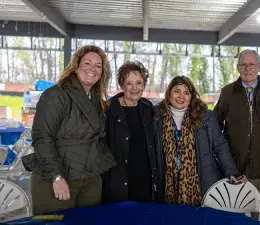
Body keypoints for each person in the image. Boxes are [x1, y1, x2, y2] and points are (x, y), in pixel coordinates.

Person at [21, 45, 116, 214]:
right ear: (76, 66)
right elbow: (42, 137)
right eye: (87, 63)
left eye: (98, 66)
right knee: (53, 222)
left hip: (89, 177)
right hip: (56, 176)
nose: (92, 69)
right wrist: (56, 177)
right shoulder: (56, 95)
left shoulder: (96, 99)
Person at [214, 49, 260, 223]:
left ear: (259, 67)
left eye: (252, 64)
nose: (248, 68)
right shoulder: (227, 92)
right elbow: (215, 127)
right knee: (233, 216)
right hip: (235, 169)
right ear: (238, 67)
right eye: (243, 64)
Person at [154, 76, 245, 206]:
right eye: (177, 91)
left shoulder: (205, 117)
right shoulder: (156, 117)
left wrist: (232, 172)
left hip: (202, 181)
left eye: (186, 93)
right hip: (167, 183)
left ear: (191, 97)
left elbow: (220, 146)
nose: (181, 96)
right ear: (169, 94)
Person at [102, 60, 159, 204]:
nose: (134, 88)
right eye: (129, 83)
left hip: (144, 180)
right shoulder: (108, 110)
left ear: (144, 85)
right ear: (121, 86)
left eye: (139, 83)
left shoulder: (148, 108)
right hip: (117, 181)